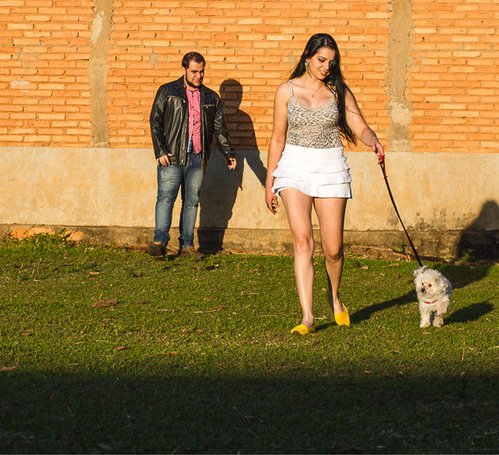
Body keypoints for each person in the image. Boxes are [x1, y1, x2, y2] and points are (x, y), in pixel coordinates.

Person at [264, 33, 384, 335]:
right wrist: (270, 181)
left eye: (331, 62)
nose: (326, 66)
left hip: (330, 165)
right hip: (293, 166)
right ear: (307, 56)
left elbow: (359, 125)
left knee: (333, 249)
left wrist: (374, 142)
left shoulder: (338, 91)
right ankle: (307, 316)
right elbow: (277, 137)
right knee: (303, 240)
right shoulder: (286, 91)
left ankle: (334, 297)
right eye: (321, 60)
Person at [148, 52, 237, 258]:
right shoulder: (167, 91)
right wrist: (160, 151)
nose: (199, 76)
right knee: (165, 199)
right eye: (194, 71)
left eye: (202, 71)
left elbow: (219, 129)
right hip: (170, 157)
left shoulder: (211, 97)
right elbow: (155, 122)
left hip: (197, 157)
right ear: (184, 70)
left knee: (191, 202)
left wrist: (228, 153)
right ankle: (160, 242)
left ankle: (187, 246)